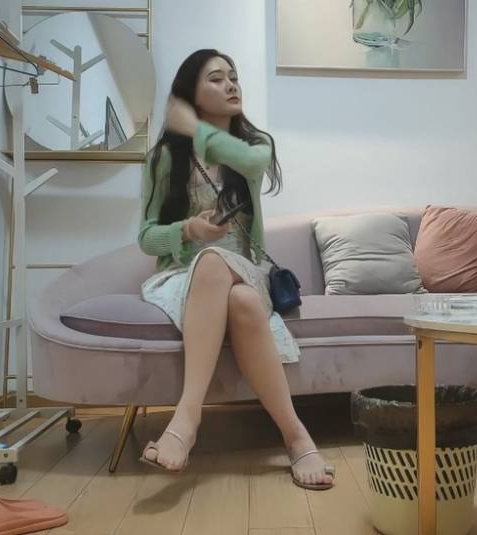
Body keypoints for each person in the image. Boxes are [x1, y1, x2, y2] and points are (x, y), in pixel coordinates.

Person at [137, 49, 335, 490]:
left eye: (234, 77)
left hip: (247, 268)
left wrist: (193, 127)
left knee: (227, 272)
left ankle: (185, 421)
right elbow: (146, 236)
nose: (231, 85)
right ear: (191, 93)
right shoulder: (163, 158)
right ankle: (297, 437)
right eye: (215, 78)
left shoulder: (255, 146)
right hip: (183, 277)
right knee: (235, 293)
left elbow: (250, 162)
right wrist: (187, 229)